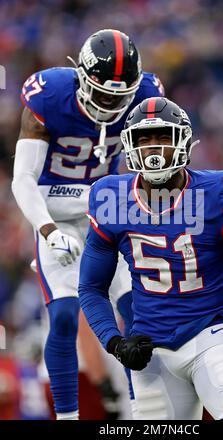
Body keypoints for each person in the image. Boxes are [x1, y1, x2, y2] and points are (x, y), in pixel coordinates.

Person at [79, 97, 223, 420]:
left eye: (163, 136)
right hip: (151, 352)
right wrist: (115, 343)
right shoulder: (111, 198)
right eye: (144, 139)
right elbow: (91, 287)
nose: (154, 148)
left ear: (184, 142)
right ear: (130, 146)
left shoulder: (216, 192)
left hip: (212, 336)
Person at [11, 29, 164, 420]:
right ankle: (67, 417)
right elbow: (23, 179)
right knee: (63, 314)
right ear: (80, 77)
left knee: (136, 311)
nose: (110, 104)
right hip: (55, 209)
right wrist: (46, 229)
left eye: (120, 96)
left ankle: (143, 412)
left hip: (108, 208)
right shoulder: (50, 96)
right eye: (103, 93)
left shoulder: (147, 96)